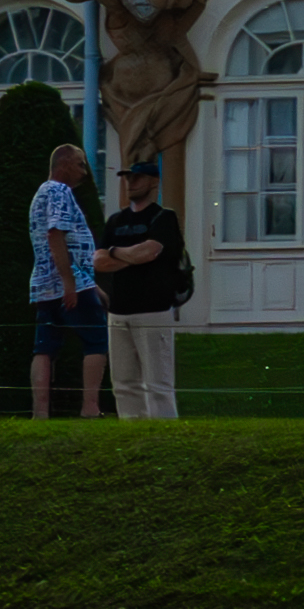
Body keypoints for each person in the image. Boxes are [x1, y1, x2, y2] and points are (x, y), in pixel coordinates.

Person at [93, 154, 195, 420]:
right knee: (124, 383)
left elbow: (149, 252)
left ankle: (163, 434)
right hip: (119, 310)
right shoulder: (116, 221)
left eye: (136, 177)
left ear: (153, 182)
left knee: (158, 382)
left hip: (153, 309)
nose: (130, 182)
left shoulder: (163, 218)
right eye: (127, 177)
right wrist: (127, 255)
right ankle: (131, 431)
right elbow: (98, 260)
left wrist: (115, 252)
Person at [26, 140, 108, 419]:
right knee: (96, 341)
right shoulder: (59, 191)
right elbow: (56, 233)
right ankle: (90, 407)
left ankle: (40, 413)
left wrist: (92, 285)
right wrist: (71, 283)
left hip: (45, 284)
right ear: (64, 164)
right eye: (81, 164)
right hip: (70, 282)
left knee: (44, 347)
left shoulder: (41, 193)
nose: (85, 172)